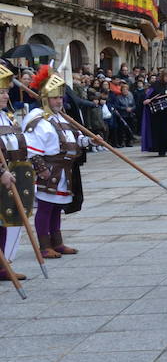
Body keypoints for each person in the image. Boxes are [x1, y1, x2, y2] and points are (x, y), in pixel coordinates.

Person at [24, 67, 89, 260]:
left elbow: (74, 139)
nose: (59, 101)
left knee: (56, 207)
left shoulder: (61, 117)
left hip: (65, 171)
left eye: (60, 97)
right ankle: (44, 246)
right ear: (45, 98)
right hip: (49, 169)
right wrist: (42, 170)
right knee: (45, 207)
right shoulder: (37, 119)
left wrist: (90, 141)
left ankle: (57, 243)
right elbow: (31, 148)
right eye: (54, 98)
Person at [0, 66, 35, 281]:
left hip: (9, 176)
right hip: (2, 175)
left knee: (2, 221)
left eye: (5, 91)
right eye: (1, 92)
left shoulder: (6, 117)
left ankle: (2, 266)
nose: (6, 95)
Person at [142, 70, 167, 157]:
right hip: (158, 114)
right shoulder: (155, 85)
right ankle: (161, 150)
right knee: (160, 132)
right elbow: (148, 96)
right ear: (162, 77)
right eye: (166, 77)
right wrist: (146, 100)